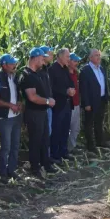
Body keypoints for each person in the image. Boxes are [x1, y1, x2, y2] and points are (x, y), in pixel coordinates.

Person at [19, 48, 59, 178]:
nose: (44, 60)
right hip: (34, 113)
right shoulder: (27, 75)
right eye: (42, 58)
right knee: (35, 141)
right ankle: (35, 168)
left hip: (42, 112)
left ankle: (46, 164)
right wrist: (48, 101)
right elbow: (32, 97)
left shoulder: (37, 73)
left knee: (44, 139)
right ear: (35, 58)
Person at [0, 54, 23, 183]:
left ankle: (11, 170)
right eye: (11, 64)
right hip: (4, 118)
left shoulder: (13, 77)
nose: (14, 66)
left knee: (15, 145)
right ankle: (2, 173)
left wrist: (19, 103)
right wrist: (10, 106)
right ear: (4, 65)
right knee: (5, 147)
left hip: (15, 116)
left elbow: (17, 94)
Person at [48, 48, 76, 162]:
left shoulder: (65, 69)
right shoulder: (52, 69)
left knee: (65, 129)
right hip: (58, 105)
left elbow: (70, 82)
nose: (69, 59)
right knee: (57, 130)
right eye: (67, 57)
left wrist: (72, 89)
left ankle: (64, 152)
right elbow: (52, 87)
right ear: (59, 56)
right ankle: (55, 154)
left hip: (67, 104)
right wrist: (65, 91)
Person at [79, 49, 110, 152]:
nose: (98, 57)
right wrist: (86, 103)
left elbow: (104, 83)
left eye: (99, 55)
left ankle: (100, 141)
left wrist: (106, 96)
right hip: (91, 102)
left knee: (99, 122)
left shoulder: (101, 68)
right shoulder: (85, 70)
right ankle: (90, 145)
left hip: (101, 100)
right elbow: (83, 89)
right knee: (89, 124)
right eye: (96, 55)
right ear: (90, 57)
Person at [67, 53, 82, 154]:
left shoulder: (75, 73)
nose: (76, 63)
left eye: (77, 61)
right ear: (68, 61)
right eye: (74, 61)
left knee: (75, 128)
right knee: (67, 128)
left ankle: (72, 146)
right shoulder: (65, 74)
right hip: (69, 105)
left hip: (77, 103)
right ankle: (66, 149)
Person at [39, 46, 54, 136]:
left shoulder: (47, 69)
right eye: (50, 54)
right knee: (45, 133)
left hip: (49, 104)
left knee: (49, 132)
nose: (52, 56)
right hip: (43, 105)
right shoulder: (39, 71)